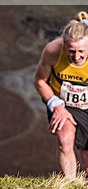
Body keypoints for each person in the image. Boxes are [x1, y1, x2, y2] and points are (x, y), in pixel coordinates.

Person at [33, 12, 88, 177]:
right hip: (62, 103)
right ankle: (70, 186)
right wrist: (55, 104)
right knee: (65, 141)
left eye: (81, 51)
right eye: (71, 51)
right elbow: (40, 81)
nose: (76, 57)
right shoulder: (53, 51)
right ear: (64, 45)